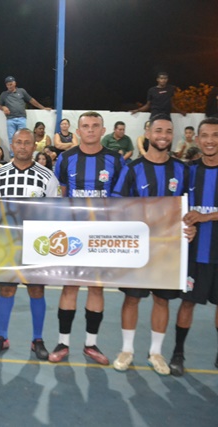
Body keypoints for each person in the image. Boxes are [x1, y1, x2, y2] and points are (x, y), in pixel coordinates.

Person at [111, 115, 193, 375]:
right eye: (158, 130)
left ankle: (156, 353)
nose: (163, 136)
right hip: (137, 248)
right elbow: (117, 204)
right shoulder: (132, 168)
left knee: (162, 300)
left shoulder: (182, 169)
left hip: (168, 249)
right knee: (132, 299)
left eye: (168, 131)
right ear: (147, 133)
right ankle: (127, 350)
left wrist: (190, 226)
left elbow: (189, 208)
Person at [48, 111, 125, 365]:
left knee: (96, 287)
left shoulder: (116, 159)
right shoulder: (65, 158)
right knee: (70, 286)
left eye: (95, 126)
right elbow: (60, 194)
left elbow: (123, 198)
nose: (90, 130)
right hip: (73, 235)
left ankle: (91, 344)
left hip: (103, 236)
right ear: (78, 131)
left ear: (103, 130)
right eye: (85, 126)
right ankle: (63, 343)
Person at [0, 128, 59, 360]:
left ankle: (37, 339)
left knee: (36, 290)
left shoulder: (47, 176)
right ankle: (1, 336)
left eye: (27, 142)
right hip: (7, 243)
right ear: (12, 145)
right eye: (19, 142)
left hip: (37, 244)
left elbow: (56, 210)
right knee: (6, 289)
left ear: (34, 146)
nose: (23, 146)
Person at [169, 117, 218, 376]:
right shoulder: (187, 171)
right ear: (197, 140)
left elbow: (201, 214)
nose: (210, 141)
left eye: (215, 135)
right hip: (194, 253)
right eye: (205, 135)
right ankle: (178, 353)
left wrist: (205, 217)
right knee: (187, 303)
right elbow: (174, 206)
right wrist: (184, 224)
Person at [0, 76, 51, 155]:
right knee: (11, 138)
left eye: (11, 84)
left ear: (15, 83)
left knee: (23, 137)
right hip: (10, 119)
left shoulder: (21, 91)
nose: (10, 86)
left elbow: (31, 100)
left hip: (21, 119)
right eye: (8, 85)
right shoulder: (4, 94)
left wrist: (42, 108)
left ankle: (22, 154)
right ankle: (13, 156)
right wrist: (3, 107)